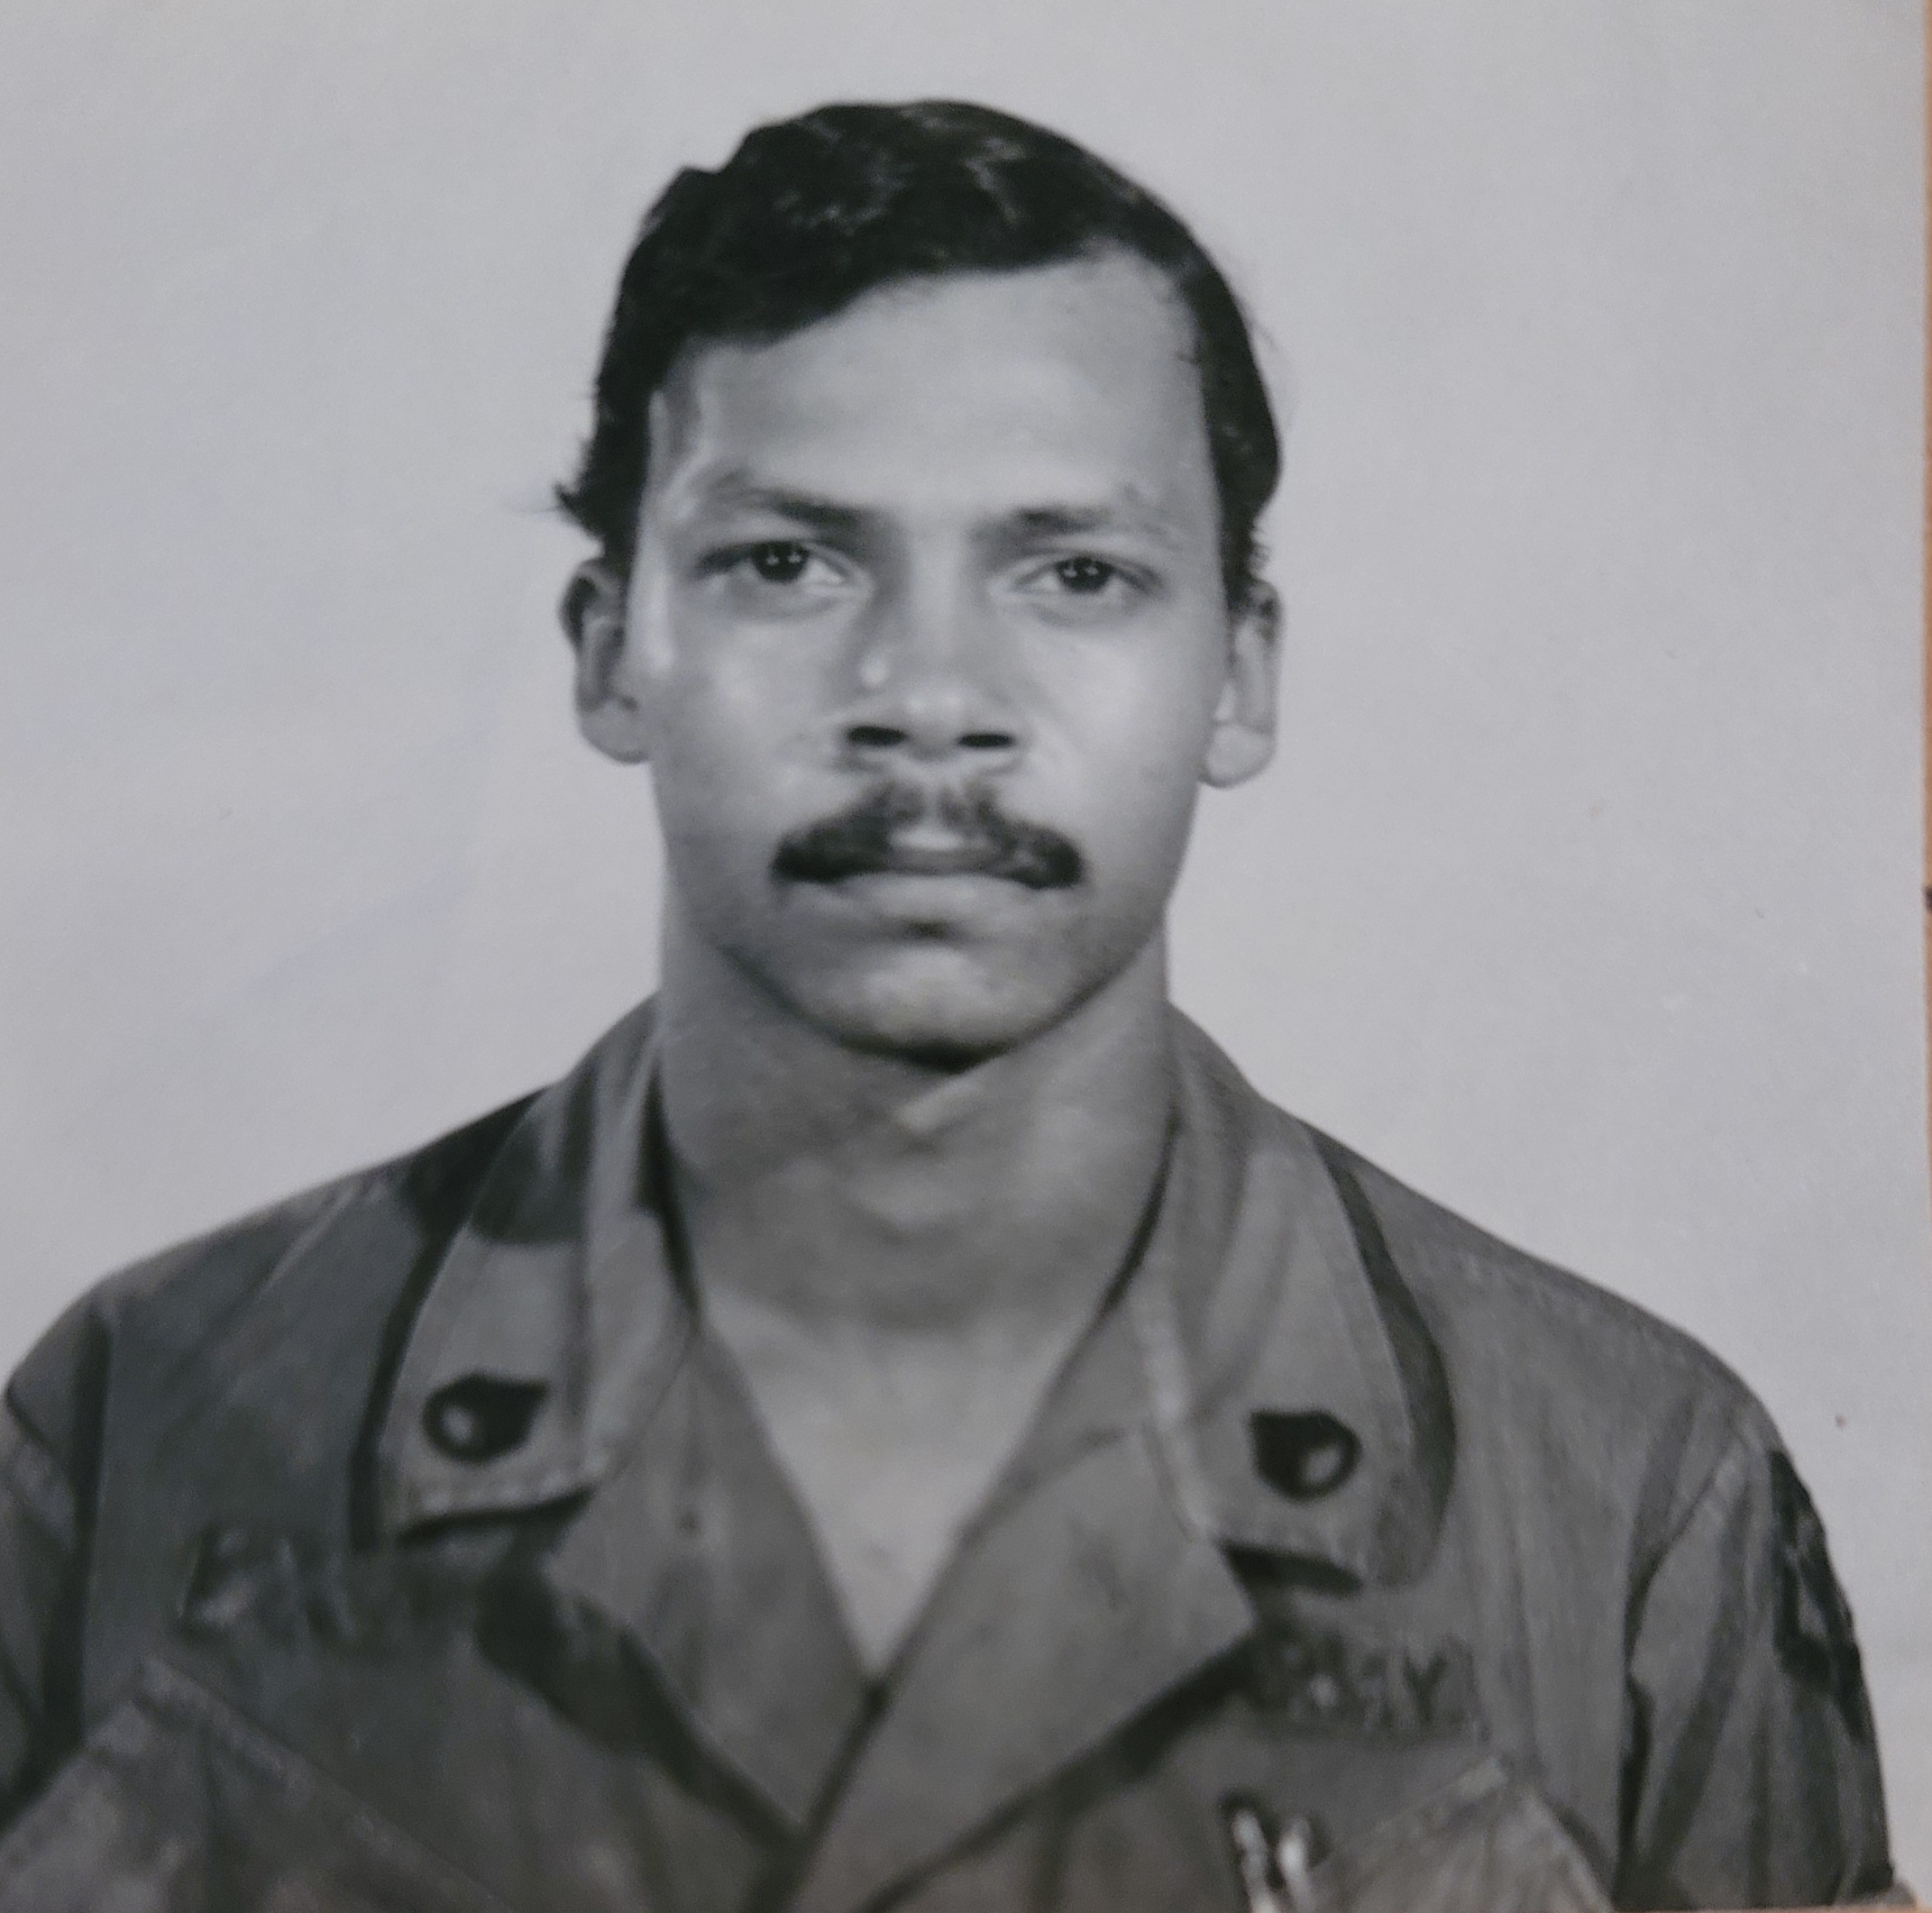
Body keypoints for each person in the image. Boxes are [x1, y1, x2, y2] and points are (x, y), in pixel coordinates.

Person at [0, 100, 1898, 1913]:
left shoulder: (1628, 1499)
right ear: (610, 652)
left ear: (1238, 671)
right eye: (786, 562)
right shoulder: (140, 1425)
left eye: (1073, 571)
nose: (926, 695)